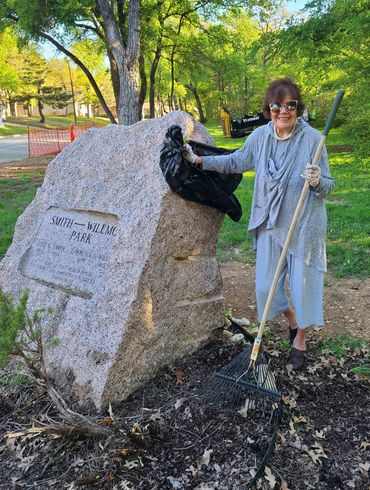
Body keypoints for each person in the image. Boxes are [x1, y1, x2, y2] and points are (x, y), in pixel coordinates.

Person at [182, 78, 334, 370]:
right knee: (265, 288)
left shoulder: (313, 140)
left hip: (304, 226)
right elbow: (236, 161)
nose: (283, 112)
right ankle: (291, 319)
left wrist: (317, 180)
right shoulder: (261, 137)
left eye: (290, 105)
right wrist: (200, 161)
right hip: (270, 222)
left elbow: (328, 185)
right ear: (269, 109)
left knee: (303, 289)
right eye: (277, 106)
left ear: (297, 108)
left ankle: (300, 339)